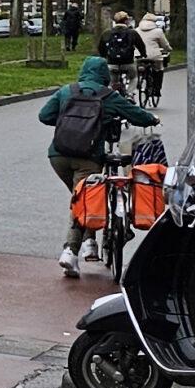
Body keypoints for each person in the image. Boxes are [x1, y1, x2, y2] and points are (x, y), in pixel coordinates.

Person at [38, 55, 159, 278]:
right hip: (88, 157)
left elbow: (44, 115)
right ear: (105, 75)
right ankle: (70, 252)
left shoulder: (67, 91)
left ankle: (90, 241)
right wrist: (152, 120)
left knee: (82, 198)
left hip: (58, 156)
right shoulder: (108, 96)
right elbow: (137, 115)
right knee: (82, 201)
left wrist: (69, 122)